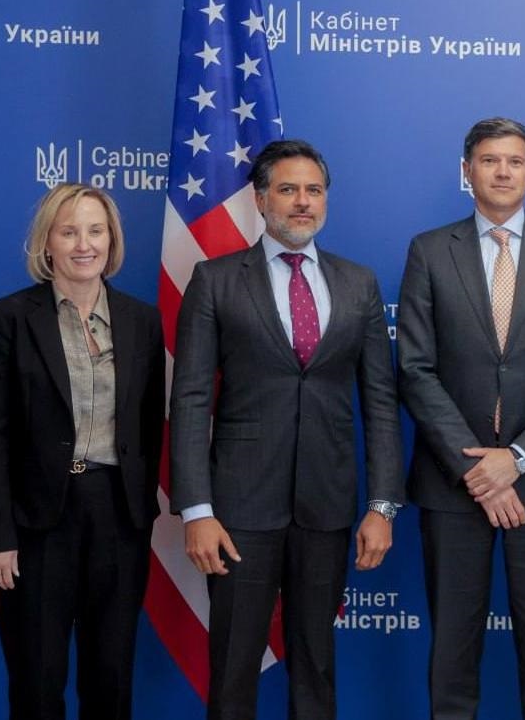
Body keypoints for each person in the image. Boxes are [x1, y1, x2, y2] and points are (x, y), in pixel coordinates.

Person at [169, 139, 404, 720]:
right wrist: (197, 511)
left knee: (316, 668)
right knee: (233, 669)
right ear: (261, 199)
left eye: (314, 190)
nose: (303, 202)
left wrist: (382, 506)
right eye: (289, 189)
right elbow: (191, 400)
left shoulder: (359, 283)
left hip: (326, 508)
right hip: (239, 511)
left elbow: (380, 403)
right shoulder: (215, 279)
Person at [397, 117, 525, 719]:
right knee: (452, 654)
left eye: (515, 161)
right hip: (453, 484)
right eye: (490, 160)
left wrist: (514, 461)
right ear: (468, 171)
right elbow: (414, 369)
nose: (503, 172)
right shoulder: (429, 251)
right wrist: (478, 470)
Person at [0, 183, 165, 719]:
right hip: (37, 522)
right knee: (37, 682)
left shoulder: (142, 321)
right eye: (69, 232)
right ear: (47, 243)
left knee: (111, 681)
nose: (84, 244)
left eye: (96, 231)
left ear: (112, 240)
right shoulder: (9, 318)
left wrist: (140, 515)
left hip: (118, 518)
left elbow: (150, 426)